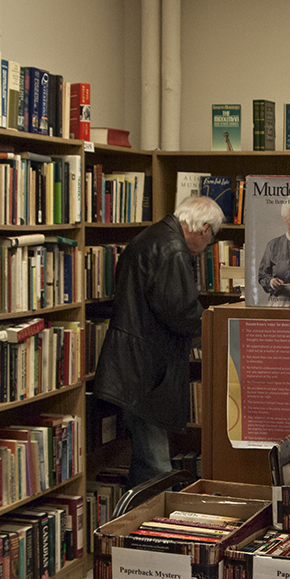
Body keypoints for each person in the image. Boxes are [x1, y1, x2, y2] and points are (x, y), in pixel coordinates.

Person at [92, 195, 223, 489]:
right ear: (203, 229)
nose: (208, 247)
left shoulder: (152, 236)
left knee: (145, 461)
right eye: (212, 238)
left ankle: (134, 526)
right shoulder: (173, 250)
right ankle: (156, 531)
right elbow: (181, 311)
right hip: (146, 371)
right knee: (156, 466)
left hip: (133, 364)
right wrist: (216, 323)